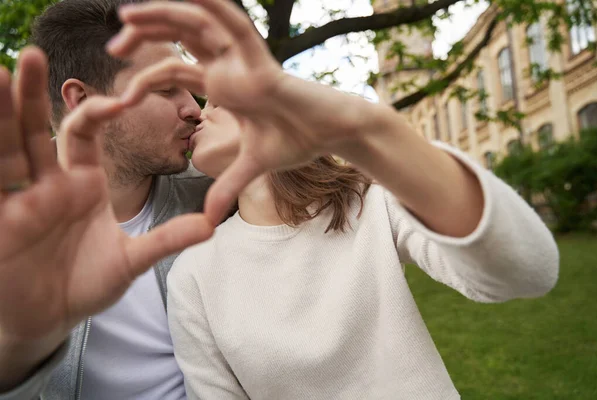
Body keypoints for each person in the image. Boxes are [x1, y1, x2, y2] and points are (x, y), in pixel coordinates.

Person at [102, 0, 560, 399]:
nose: (199, 112)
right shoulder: (195, 274)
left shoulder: (370, 203)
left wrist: (362, 127)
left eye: (219, 102)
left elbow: (527, 273)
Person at [0, 0, 217, 399]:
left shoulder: (218, 195)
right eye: (166, 88)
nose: (193, 108)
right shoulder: (11, 231)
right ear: (84, 101)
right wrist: (20, 348)